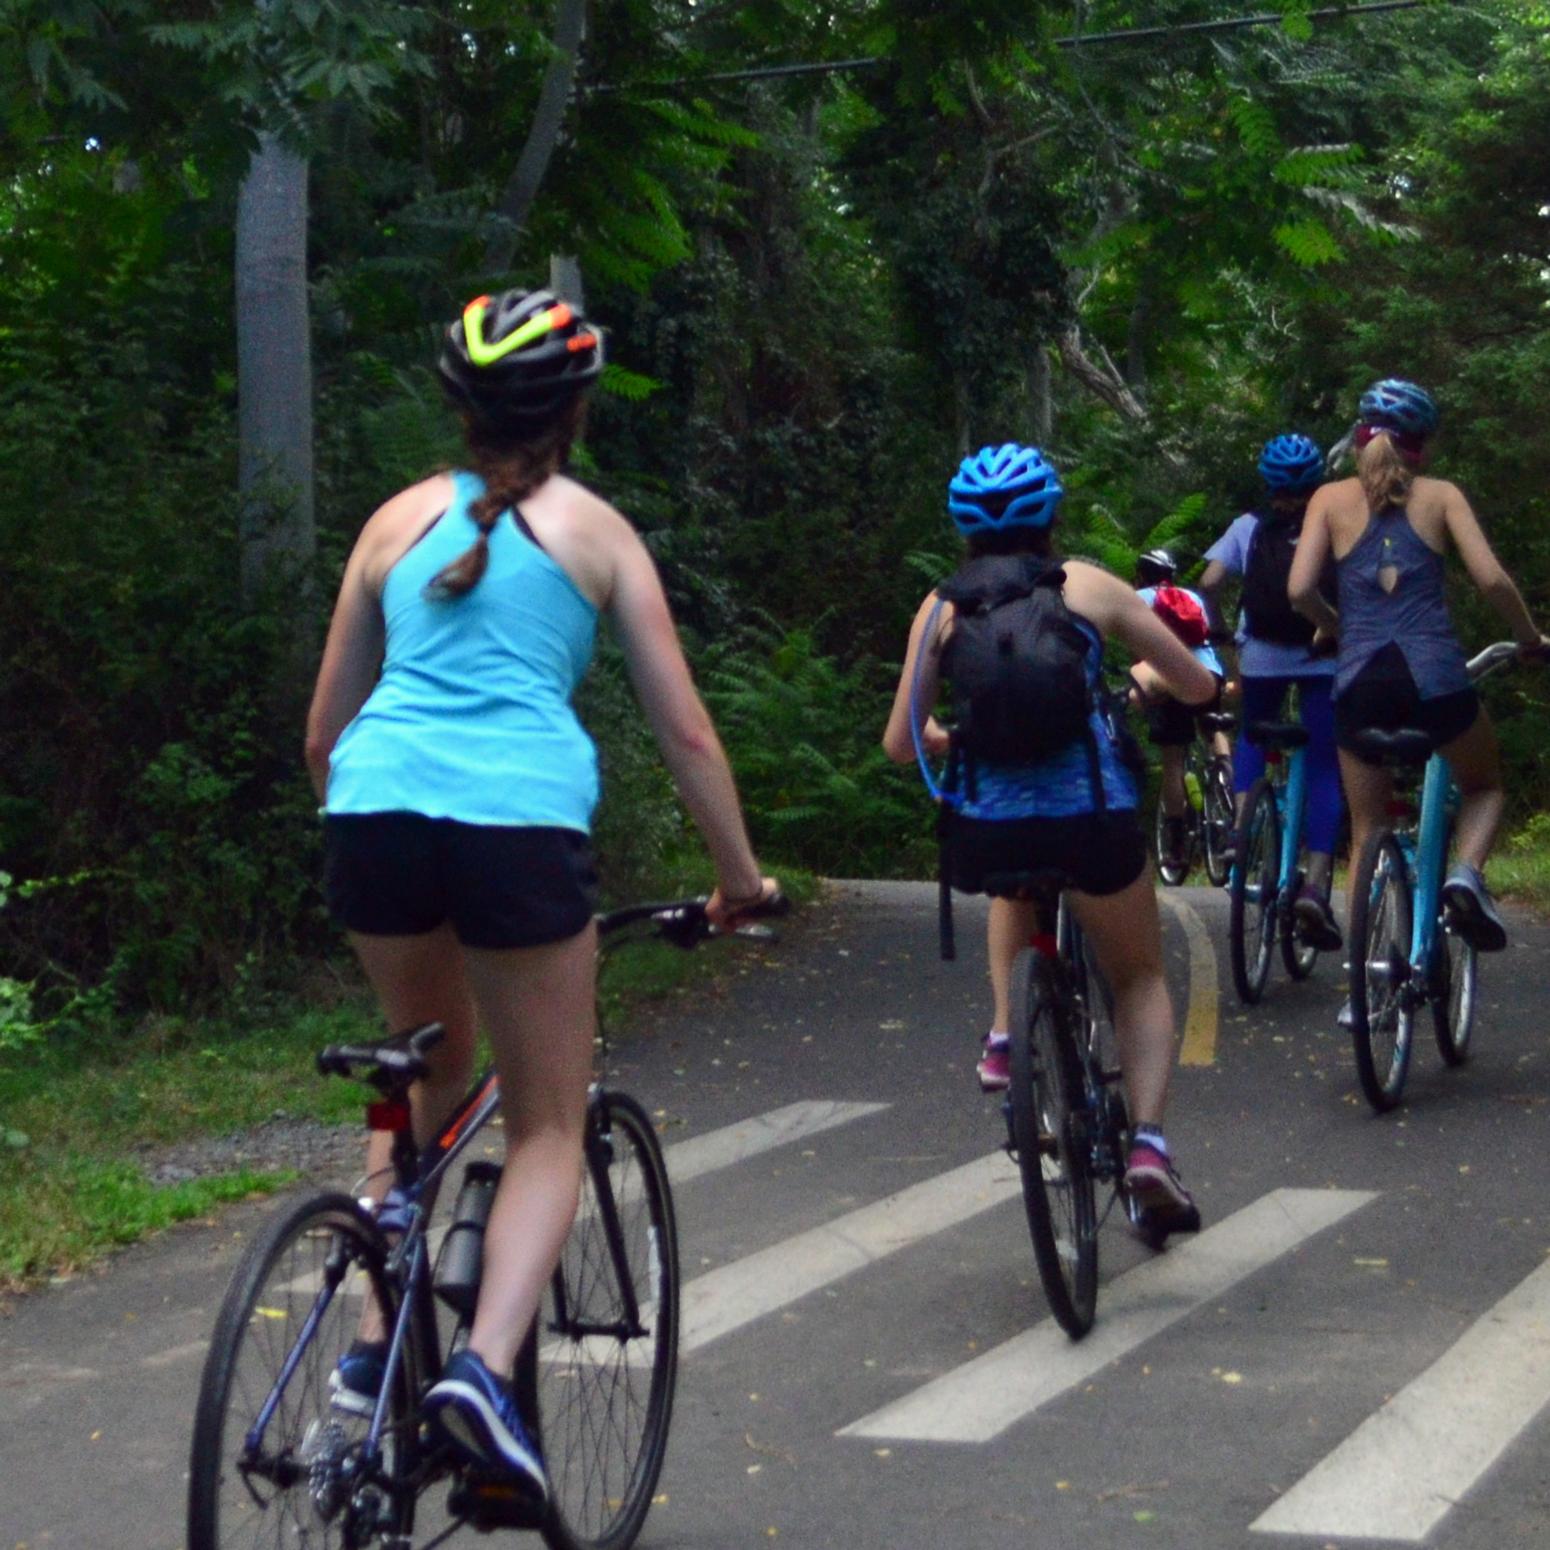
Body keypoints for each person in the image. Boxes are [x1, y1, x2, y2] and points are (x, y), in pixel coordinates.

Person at [304, 288, 777, 1497]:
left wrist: (381, 800)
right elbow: (682, 727)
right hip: (517, 822)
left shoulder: (390, 523)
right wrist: (738, 876)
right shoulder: (599, 534)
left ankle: (370, 1347)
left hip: (372, 810)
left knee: (420, 1079)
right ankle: (480, 1365)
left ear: (457, 408)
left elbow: (323, 734)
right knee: (547, 1124)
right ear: (574, 408)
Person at [881, 443, 1216, 1234]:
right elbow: (1198, 684)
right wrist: (1147, 685)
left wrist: (947, 738)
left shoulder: (938, 611)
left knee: (1014, 882)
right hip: (1090, 821)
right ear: (1051, 518)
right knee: (1138, 976)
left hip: (990, 830)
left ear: (963, 529)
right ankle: (1147, 1149)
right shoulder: (1091, 588)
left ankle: (1004, 1035)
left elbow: (900, 741)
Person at [1288, 378, 1547, 974]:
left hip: (1359, 687)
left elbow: (1299, 590)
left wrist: (1333, 626)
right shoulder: (1441, 496)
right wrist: (1530, 640)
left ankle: (1361, 980)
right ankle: (1464, 876)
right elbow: (1492, 581)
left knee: (1367, 830)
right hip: (1435, 681)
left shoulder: (1328, 499)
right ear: (1421, 448)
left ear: (1358, 438)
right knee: (1484, 785)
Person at [1198, 434, 1344, 949]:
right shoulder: (1333, 522)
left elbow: (1209, 583)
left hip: (1260, 655)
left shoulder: (1248, 527)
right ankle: (1317, 885)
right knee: (1326, 764)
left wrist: (1219, 636)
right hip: (1325, 654)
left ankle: (1241, 831)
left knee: (1252, 738)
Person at [1128, 548, 1228, 871]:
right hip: (1209, 674)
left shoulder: (1138, 598)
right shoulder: (1194, 597)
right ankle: (1226, 782)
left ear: (1142, 575)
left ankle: (1176, 842)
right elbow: (1217, 637)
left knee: (1173, 760)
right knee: (1214, 728)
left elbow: (1138, 652)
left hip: (1171, 679)